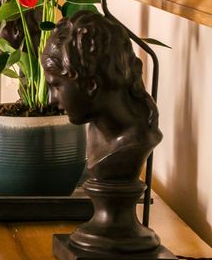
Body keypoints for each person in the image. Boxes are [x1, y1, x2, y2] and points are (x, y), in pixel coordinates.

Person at [41, 11, 160, 182]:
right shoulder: (97, 129)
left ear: (91, 85)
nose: (51, 100)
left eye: (55, 86)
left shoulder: (136, 142)